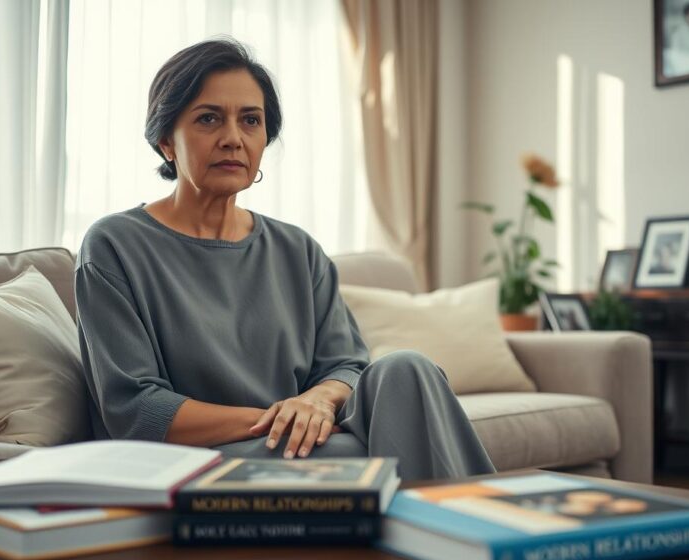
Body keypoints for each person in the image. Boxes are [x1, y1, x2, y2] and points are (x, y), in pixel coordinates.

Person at [74, 38, 496, 482]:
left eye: (250, 121)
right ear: (166, 141)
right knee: (383, 446)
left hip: (303, 441)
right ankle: (490, 527)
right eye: (208, 118)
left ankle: (489, 527)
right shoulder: (113, 244)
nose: (233, 138)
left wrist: (316, 402)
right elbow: (137, 410)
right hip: (204, 460)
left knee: (408, 368)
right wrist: (283, 418)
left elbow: (346, 366)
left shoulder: (297, 249)